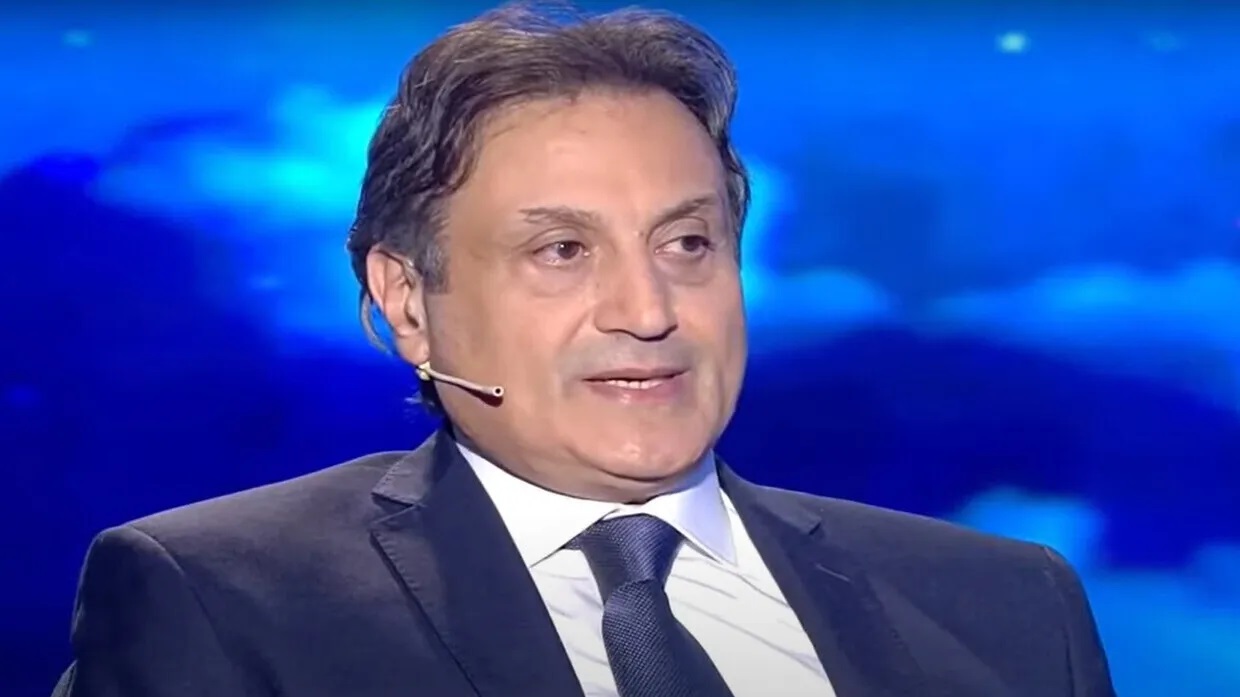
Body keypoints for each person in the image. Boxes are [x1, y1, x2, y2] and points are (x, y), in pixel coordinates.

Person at [53, 4, 1117, 697]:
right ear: (406, 300)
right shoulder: (220, 600)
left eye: (687, 244)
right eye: (562, 250)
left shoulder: (1010, 607)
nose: (647, 309)